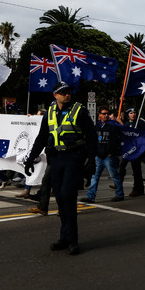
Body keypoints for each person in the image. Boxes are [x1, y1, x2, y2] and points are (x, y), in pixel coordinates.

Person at [24, 82, 96, 255]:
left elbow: (92, 136)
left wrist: (91, 160)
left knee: (68, 197)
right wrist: (30, 159)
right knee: (60, 199)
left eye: (69, 92)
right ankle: (64, 237)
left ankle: (73, 240)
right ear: (55, 95)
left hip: (73, 158)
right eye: (63, 92)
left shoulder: (80, 110)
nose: (67, 95)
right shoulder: (49, 113)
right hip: (55, 159)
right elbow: (42, 138)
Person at [80, 107, 124, 203]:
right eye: (104, 113)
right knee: (94, 177)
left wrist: (111, 152)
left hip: (108, 157)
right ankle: (90, 196)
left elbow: (116, 141)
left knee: (114, 176)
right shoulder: (96, 127)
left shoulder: (113, 127)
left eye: (107, 113)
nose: (106, 115)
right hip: (98, 156)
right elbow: (92, 140)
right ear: (99, 114)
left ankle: (119, 194)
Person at [119, 108, 145, 197]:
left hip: (137, 149)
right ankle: (119, 182)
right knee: (122, 165)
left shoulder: (140, 123)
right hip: (129, 150)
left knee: (136, 169)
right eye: (131, 113)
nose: (133, 114)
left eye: (134, 112)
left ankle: (138, 188)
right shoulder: (127, 124)